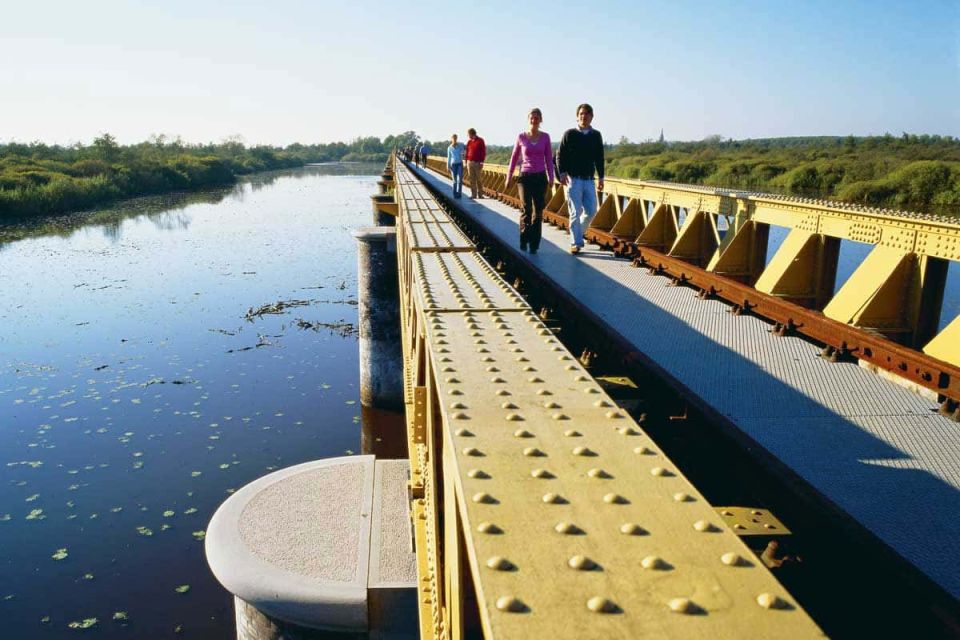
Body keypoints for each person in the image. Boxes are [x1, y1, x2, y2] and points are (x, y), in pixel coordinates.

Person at [557, 103, 604, 255]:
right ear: (577, 116)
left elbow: (599, 157)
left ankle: (578, 234)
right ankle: (575, 243)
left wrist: (601, 177)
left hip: (589, 179)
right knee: (575, 213)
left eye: (587, 114)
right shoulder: (569, 134)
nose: (584, 116)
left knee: (591, 211)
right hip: (573, 180)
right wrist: (562, 173)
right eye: (581, 114)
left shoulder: (596, 135)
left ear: (592, 117)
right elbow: (560, 155)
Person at [505, 107, 554, 254]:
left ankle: (534, 244)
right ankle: (523, 239)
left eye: (537, 118)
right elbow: (514, 158)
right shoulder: (521, 137)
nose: (534, 120)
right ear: (528, 120)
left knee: (538, 212)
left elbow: (549, 159)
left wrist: (551, 177)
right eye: (532, 118)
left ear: (540, 120)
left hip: (540, 177)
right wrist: (509, 177)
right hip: (525, 177)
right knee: (526, 209)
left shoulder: (545, 137)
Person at [465, 128, 486, 199]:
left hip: (478, 163)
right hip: (469, 162)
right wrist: (466, 161)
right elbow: (467, 152)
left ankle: (480, 194)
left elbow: (483, 151)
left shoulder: (480, 140)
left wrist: (482, 161)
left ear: (472, 133)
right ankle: (473, 194)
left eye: (468, 135)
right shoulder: (469, 142)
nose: (468, 136)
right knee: (471, 179)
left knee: (478, 179)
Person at [446, 134, 465, 198]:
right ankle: (454, 194)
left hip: (459, 163)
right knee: (454, 180)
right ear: (451, 139)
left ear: (457, 139)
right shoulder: (449, 148)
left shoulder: (460, 146)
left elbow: (463, 153)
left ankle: (459, 193)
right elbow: (449, 157)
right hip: (453, 165)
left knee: (460, 180)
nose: (455, 139)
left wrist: (463, 154)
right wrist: (448, 166)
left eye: (456, 138)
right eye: (453, 138)